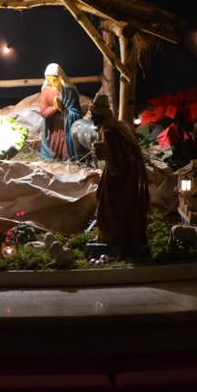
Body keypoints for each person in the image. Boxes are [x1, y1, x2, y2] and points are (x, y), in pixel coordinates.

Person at [89, 95, 150, 255]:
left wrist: (103, 152)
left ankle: (115, 238)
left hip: (118, 178)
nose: (91, 118)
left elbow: (118, 161)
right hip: (127, 174)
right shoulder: (119, 127)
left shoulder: (109, 132)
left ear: (100, 115)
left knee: (109, 207)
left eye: (93, 115)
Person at [39, 63, 83, 162]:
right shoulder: (46, 90)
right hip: (53, 126)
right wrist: (54, 108)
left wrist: (63, 109)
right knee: (53, 144)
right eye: (49, 79)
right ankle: (52, 156)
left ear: (60, 78)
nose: (52, 81)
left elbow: (77, 113)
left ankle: (67, 157)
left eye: (54, 79)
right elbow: (43, 112)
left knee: (65, 146)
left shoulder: (70, 91)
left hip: (66, 125)